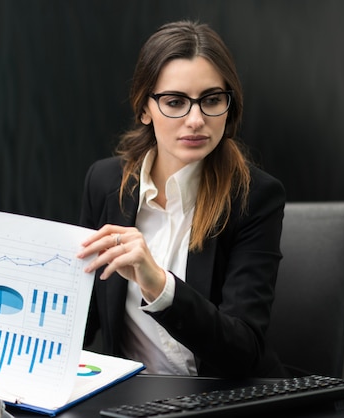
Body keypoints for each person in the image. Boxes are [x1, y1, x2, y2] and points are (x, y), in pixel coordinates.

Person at [76, 20, 287, 378]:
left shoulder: (255, 197)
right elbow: (80, 319)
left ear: (229, 106)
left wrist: (158, 284)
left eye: (212, 100)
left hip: (220, 402)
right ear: (145, 109)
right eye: (175, 102)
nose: (196, 120)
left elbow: (244, 351)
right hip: (128, 402)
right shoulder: (105, 182)